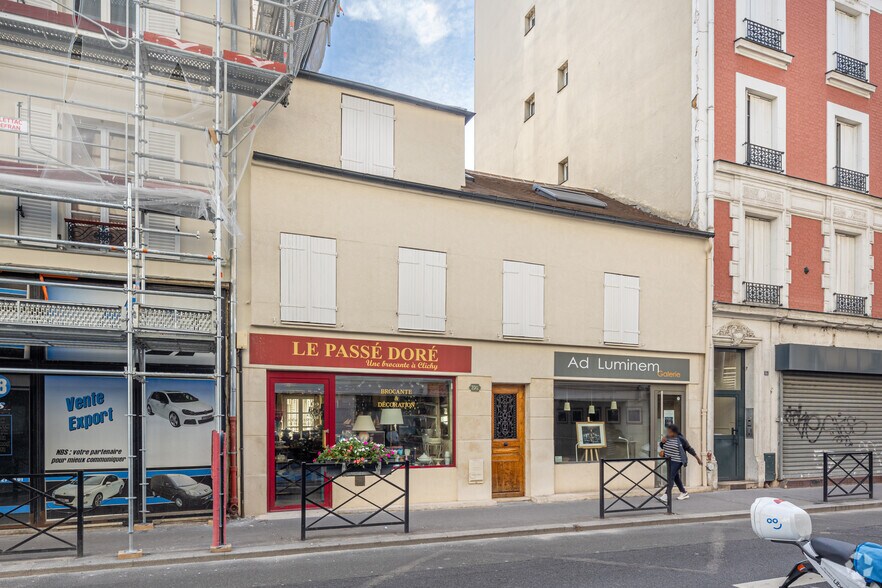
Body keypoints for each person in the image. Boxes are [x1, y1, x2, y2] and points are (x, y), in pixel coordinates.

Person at [659, 424, 701, 501]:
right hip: (669, 461)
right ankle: (684, 492)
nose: (668, 433)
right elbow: (662, 446)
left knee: (670, 476)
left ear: (674, 432)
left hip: (677, 461)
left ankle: (666, 495)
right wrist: (662, 442)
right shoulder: (667, 438)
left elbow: (689, 449)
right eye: (667, 431)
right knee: (675, 477)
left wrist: (697, 458)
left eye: (669, 432)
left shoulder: (681, 439)